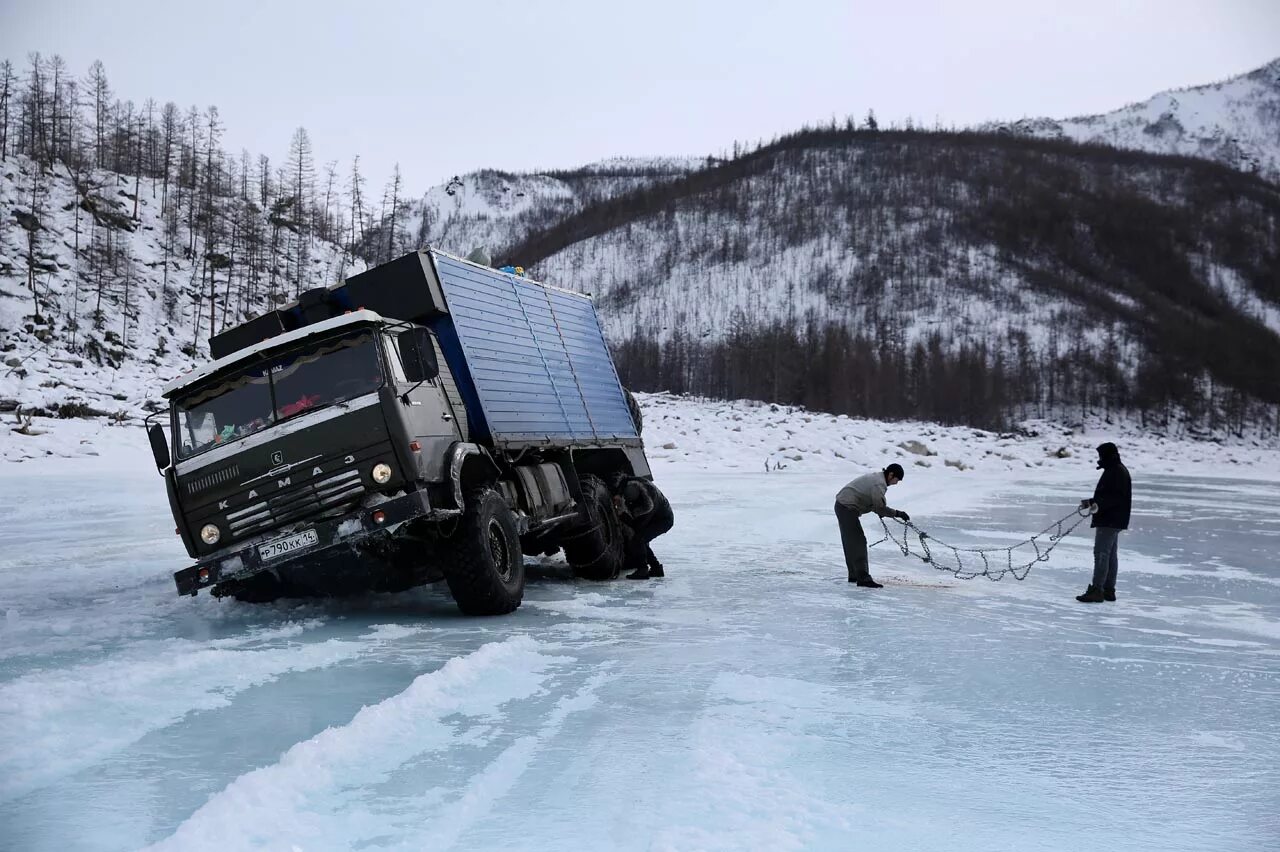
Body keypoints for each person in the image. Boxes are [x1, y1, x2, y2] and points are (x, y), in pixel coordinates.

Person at [834, 464, 910, 588]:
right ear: (891, 475)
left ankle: (854, 575)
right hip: (846, 507)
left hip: (843, 506)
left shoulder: (878, 479)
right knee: (858, 542)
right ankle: (863, 578)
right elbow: (880, 508)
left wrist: (880, 509)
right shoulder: (879, 484)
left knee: (851, 542)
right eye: (897, 480)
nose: (896, 483)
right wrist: (898, 513)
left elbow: (875, 504)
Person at [1076, 442, 1132, 603]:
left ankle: (1097, 590)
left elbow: (1115, 497)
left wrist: (1097, 505)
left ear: (1108, 455)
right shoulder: (1114, 469)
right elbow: (1108, 495)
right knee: (1110, 555)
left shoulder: (1116, 471)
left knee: (1101, 554)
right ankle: (1108, 590)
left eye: (1101, 455)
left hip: (1110, 520)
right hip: (1114, 519)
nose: (1099, 459)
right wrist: (1091, 502)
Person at [610, 473, 674, 580]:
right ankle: (656, 569)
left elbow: (636, 526)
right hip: (657, 513)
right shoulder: (637, 482)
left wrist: (622, 515)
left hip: (663, 521)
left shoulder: (648, 506)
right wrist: (618, 494)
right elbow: (624, 479)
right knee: (641, 540)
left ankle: (642, 570)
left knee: (638, 539)